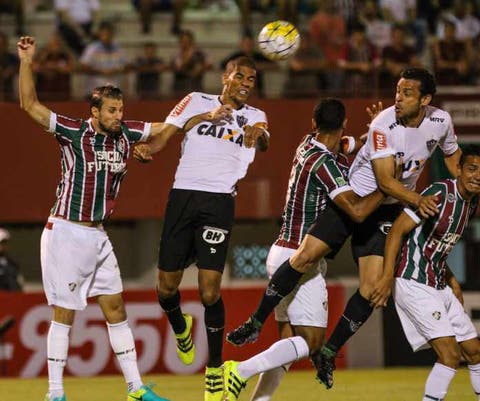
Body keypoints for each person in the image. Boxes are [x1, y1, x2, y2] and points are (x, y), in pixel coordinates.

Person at [227, 67, 461, 389]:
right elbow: (385, 181)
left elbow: (452, 156)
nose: (398, 98)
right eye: (397, 91)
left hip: (384, 213)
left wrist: (465, 181)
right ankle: (255, 321)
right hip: (354, 201)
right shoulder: (384, 125)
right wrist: (417, 198)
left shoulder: (441, 122)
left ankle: (329, 351)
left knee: (373, 288)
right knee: (305, 256)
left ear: (426, 99)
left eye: (407, 93)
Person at [17, 36, 170, 401]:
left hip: (99, 234)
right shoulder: (73, 133)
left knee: (116, 307)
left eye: (121, 109)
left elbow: (165, 127)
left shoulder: (126, 135)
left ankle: (135, 388)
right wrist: (26, 61)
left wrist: (202, 114)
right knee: (64, 314)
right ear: (96, 112)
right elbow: (30, 105)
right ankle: (55, 392)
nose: (119, 116)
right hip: (67, 232)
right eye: (113, 111)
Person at [221, 98, 385, 401]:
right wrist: (387, 185)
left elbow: (347, 144)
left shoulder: (307, 143)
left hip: (281, 252)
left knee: (286, 342)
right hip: (300, 258)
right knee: (311, 341)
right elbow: (357, 210)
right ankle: (238, 371)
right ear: (343, 123)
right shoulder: (325, 164)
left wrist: (371, 135)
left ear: (314, 124)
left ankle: (259, 400)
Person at [133, 56, 269, 401]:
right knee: (166, 288)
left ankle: (215, 370)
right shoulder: (196, 100)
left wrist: (257, 135)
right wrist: (149, 149)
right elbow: (166, 134)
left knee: (209, 291)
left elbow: (262, 138)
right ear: (225, 76)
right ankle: (181, 326)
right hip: (183, 197)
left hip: (219, 202)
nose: (246, 83)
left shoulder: (255, 116)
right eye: (240, 76)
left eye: (252, 79)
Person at [377, 144, 480, 401]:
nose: (477, 176)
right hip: (414, 282)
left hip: (438, 283)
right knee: (450, 356)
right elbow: (397, 231)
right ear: (459, 169)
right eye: (472, 169)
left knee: (474, 351)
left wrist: (451, 279)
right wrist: (387, 276)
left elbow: (436, 247)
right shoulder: (440, 193)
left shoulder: (471, 203)